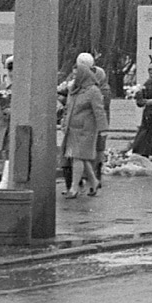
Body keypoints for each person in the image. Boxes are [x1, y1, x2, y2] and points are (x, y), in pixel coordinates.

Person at [61, 54, 107, 197]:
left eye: (77, 75)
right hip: (72, 129)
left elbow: (99, 111)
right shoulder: (74, 89)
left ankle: (74, 188)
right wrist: (64, 122)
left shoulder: (93, 90)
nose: (74, 78)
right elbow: (68, 109)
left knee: (77, 157)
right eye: (73, 75)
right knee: (82, 158)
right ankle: (94, 181)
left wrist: (103, 129)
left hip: (86, 130)